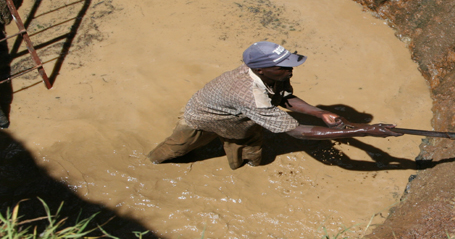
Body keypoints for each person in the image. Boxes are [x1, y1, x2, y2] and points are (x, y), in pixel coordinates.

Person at [148, 41, 403, 169]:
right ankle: (152, 163)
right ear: (260, 68)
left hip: (242, 119)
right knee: (176, 148)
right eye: (284, 67)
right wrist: (363, 131)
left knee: (250, 149)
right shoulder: (249, 93)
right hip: (205, 118)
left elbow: (285, 99)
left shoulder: (274, 75)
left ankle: (244, 162)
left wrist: (319, 112)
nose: (290, 71)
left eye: (290, 65)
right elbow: (294, 131)